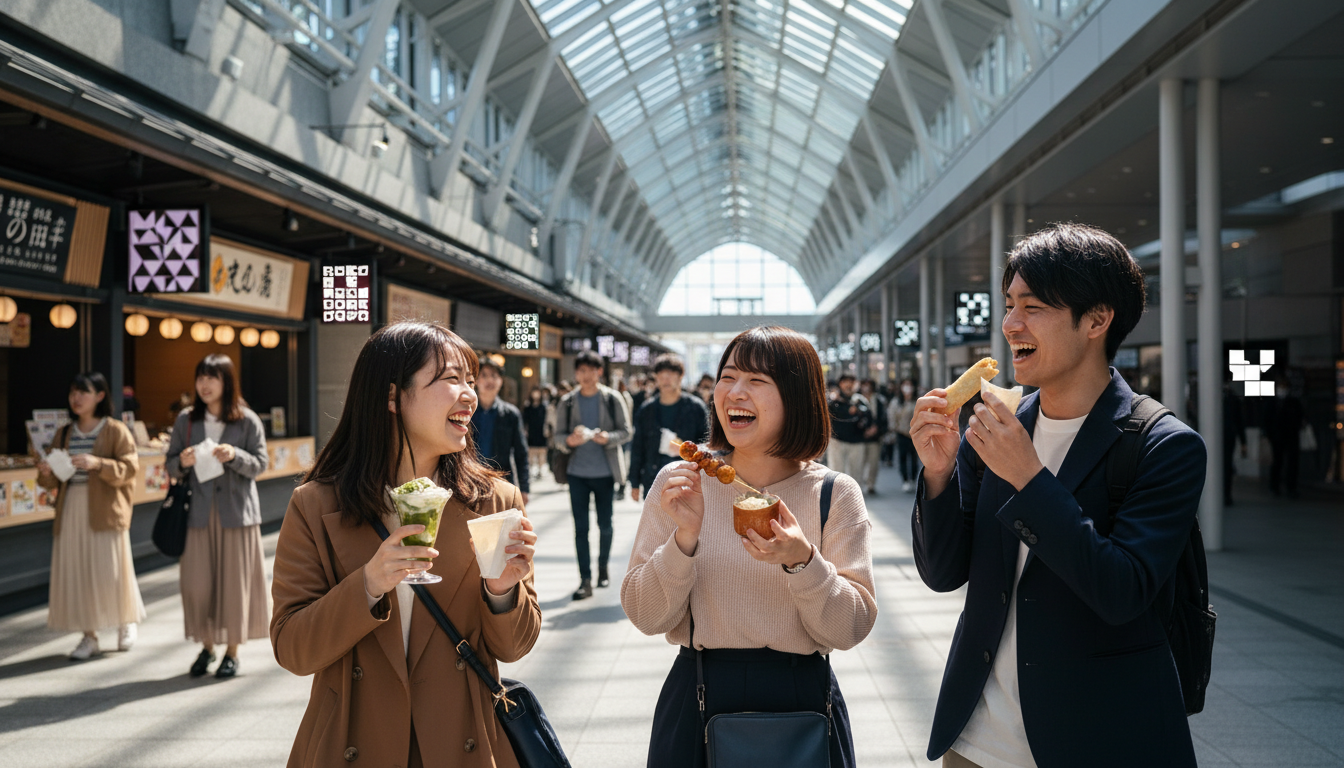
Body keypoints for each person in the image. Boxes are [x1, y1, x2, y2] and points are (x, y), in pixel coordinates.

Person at [910, 223, 1205, 768]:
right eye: (1008, 304)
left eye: (1034, 305)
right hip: (976, 741)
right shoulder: (995, 426)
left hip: (1099, 738)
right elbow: (944, 572)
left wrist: (1030, 480)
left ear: (1097, 319)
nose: (1010, 323)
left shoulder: (1165, 446)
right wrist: (937, 475)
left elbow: (1122, 591)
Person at [271, 322, 541, 767]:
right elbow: (293, 648)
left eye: (470, 382)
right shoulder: (316, 505)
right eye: (451, 379)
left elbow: (514, 648)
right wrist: (369, 584)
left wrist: (502, 592)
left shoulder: (496, 502)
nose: (470, 395)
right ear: (393, 397)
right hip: (353, 740)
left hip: (463, 741)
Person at [622, 325, 877, 768]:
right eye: (728, 376)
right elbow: (645, 616)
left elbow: (849, 630)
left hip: (802, 701)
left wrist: (803, 563)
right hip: (698, 695)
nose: (734, 392)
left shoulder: (833, 494)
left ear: (797, 396)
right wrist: (683, 540)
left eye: (757, 381)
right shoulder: (680, 482)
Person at [165, 354, 270, 679]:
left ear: (227, 382)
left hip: (237, 515)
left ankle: (231, 652)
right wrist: (182, 462)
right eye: (200, 378)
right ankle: (207, 646)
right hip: (197, 514)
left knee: (233, 585)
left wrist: (234, 455)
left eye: (212, 377)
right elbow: (169, 465)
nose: (205, 384)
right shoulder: (186, 420)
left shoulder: (247, 420)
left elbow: (261, 463)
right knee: (198, 585)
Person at [37, 372, 145, 660]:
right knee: (79, 571)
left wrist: (98, 463)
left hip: (106, 510)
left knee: (112, 570)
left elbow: (130, 468)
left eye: (83, 392)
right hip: (71, 507)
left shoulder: (115, 430)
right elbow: (49, 482)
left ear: (100, 395)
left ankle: (125, 622)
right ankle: (89, 635)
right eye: (73, 392)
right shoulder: (64, 432)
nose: (76, 398)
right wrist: (46, 472)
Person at [552, 350, 632, 600]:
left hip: (605, 473)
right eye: (581, 371)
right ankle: (585, 578)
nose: (585, 376)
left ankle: (603, 568)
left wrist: (608, 438)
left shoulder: (612, 398)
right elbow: (557, 437)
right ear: (576, 373)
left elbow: (627, 431)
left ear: (599, 372)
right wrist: (569, 440)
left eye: (591, 370)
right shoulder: (568, 401)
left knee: (605, 526)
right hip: (577, 473)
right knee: (581, 528)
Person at [628, 353, 710, 503]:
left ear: (680, 376)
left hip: (687, 477)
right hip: (653, 477)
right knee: (656, 523)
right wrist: (634, 482)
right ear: (656, 377)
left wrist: (687, 449)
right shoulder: (646, 410)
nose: (665, 379)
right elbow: (637, 447)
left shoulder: (695, 407)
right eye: (661, 374)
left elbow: (709, 443)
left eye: (671, 374)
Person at [470, 354, 529, 503]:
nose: (489, 380)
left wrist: (524, 488)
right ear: (476, 381)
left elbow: (521, 453)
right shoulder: (466, 412)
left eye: (494, 376)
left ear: (501, 381)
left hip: (501, 481)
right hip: (469, 480)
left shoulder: (510, 414)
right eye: (484, 375)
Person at [827, 373, 871, 482]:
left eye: (851, 382)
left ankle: (854, 498)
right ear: (840, 384)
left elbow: (868, 416)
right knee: (836, 473)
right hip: (837, 440)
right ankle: (837, 498)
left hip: (856, 441)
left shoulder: (860, 400)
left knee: (856, 474)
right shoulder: (833, 400)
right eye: (845, 382)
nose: (848, 385)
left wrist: (858, 411)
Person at [1266, 378, 1303, 497]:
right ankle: (1275, 486)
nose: (1282, 390)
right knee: (1277, 462)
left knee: (1291, 463)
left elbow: (1299, 418)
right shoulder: (1272, 402)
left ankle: (1290, 487)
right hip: (1277, 437)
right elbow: (1267, 420)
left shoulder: (1293, 402)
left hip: (1290, 436)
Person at [891, 379, 920, 492]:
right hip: (901, 433)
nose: (907, 387)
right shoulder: (896, 401)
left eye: (909, 385)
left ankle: (912, 478)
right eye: (905, 385)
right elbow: (892, 416)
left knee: (913, 457)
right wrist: (893, 430)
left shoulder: (917, 401)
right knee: (902, 457)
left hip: (915, 433)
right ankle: (905, 479)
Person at [859, 378, 887, 494]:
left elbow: (883, 418)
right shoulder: (857, 400)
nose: (866, 387)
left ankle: (871, 484)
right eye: (864, 385)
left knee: (873, 462)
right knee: (859, 462)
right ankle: (859, 484)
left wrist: (876, 429)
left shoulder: (879, 400)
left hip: (875, 437)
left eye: (868, 385)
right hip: (859, 437)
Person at [522, 388, 550, 481]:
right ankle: (532, 469)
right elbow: (524, 420)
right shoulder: (528, 406)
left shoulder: (544, 406)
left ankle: (540, 469)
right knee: (531, 451)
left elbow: (547, 419)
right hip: (531, 432)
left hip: (541, 431)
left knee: (542, 452)